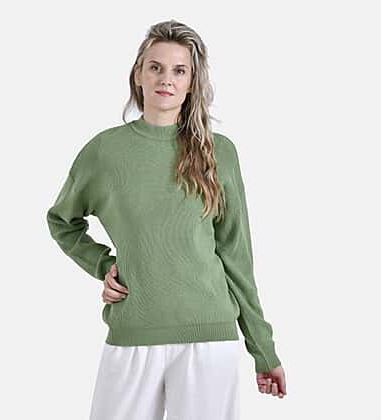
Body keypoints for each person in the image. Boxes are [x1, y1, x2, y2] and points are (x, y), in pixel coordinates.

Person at [46, 19, 287, 420]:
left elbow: (237, 258)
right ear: (138, 74)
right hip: (133, 329)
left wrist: (263, 350)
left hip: (209, 336)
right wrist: (104, 266)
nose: (166, 79)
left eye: (179, 70)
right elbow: (62, 221)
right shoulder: (104, 152)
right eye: (155, 67)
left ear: (192, 83)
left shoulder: (219, 152)